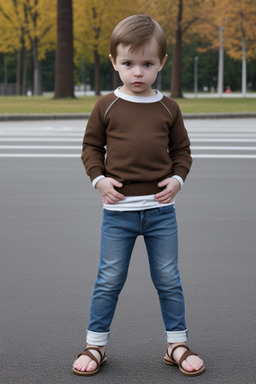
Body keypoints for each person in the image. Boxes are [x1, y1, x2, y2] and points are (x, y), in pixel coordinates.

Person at [72, 14, 205, 377]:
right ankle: (95, 345)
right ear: (114, 62)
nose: (138, 72)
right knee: (109, 279)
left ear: (161, 63)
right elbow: (90, 148)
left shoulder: (168, 108)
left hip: (162, 212)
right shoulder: (106, 105)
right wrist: (98, 180)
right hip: (118, 213)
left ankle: (176, 344)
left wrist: (178, 179)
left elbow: (182, 152)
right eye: (128, 63)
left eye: (147, 64)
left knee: (168, 278)